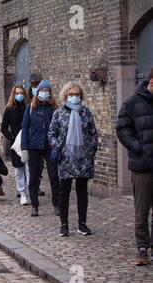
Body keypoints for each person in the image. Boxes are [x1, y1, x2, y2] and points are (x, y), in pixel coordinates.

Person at [49, 82, 99, 238]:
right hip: (66, 158)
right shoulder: (59, 113)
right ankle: (64, 225)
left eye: (77, 94)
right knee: (64, 192)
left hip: (83, 158)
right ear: (65, 96)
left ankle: (82, 224)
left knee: (82, 192)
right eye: (71, 94)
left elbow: (93, 133)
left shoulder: (86, 112)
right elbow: (52, 133)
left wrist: (91, 149)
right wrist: (58, 147)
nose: (74, 97)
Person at [117, 68, 153, 266]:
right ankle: (142, 249)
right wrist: (138, 147)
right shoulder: (132, 103)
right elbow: (122, 128)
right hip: (142, 166)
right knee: (142, 210)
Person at [21, 80, 60, 217]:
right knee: (34, 177)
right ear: (38, 93)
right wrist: (24, 147)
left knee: (54, 176)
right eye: (42, 91)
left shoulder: (54, 109)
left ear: (50, 93)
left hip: (50, 146)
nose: (45, 93)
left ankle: (57, 204)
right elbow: (25, 128)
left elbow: (58, 129)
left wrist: (58, 145)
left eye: (47, 91)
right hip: (34, 146)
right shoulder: (31, 108)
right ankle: (34, 205)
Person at [2, 85, 31, 206]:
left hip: (28, 141)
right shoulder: (9, 109)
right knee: (18, 169)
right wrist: (12, 137)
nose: (19, 95)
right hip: (16, 143)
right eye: (17, 93)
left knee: (29, 168)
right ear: (14, 95)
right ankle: (22, 192)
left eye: (21, 93)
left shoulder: (28, 108)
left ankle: (31, 190)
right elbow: (4, 128)